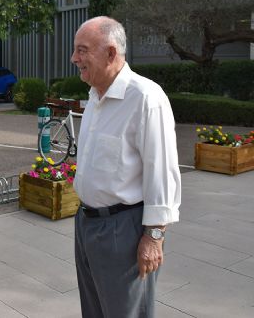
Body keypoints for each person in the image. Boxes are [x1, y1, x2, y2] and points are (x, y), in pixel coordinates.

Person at [70, 16, 182, 318]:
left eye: (82, 50)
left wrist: (154, 237)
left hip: (124, 230)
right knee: (93, 310)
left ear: (110, 53)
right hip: (87, 223)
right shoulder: (95, 94)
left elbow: (162, 171)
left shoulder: (145, 97)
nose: (74, 58)